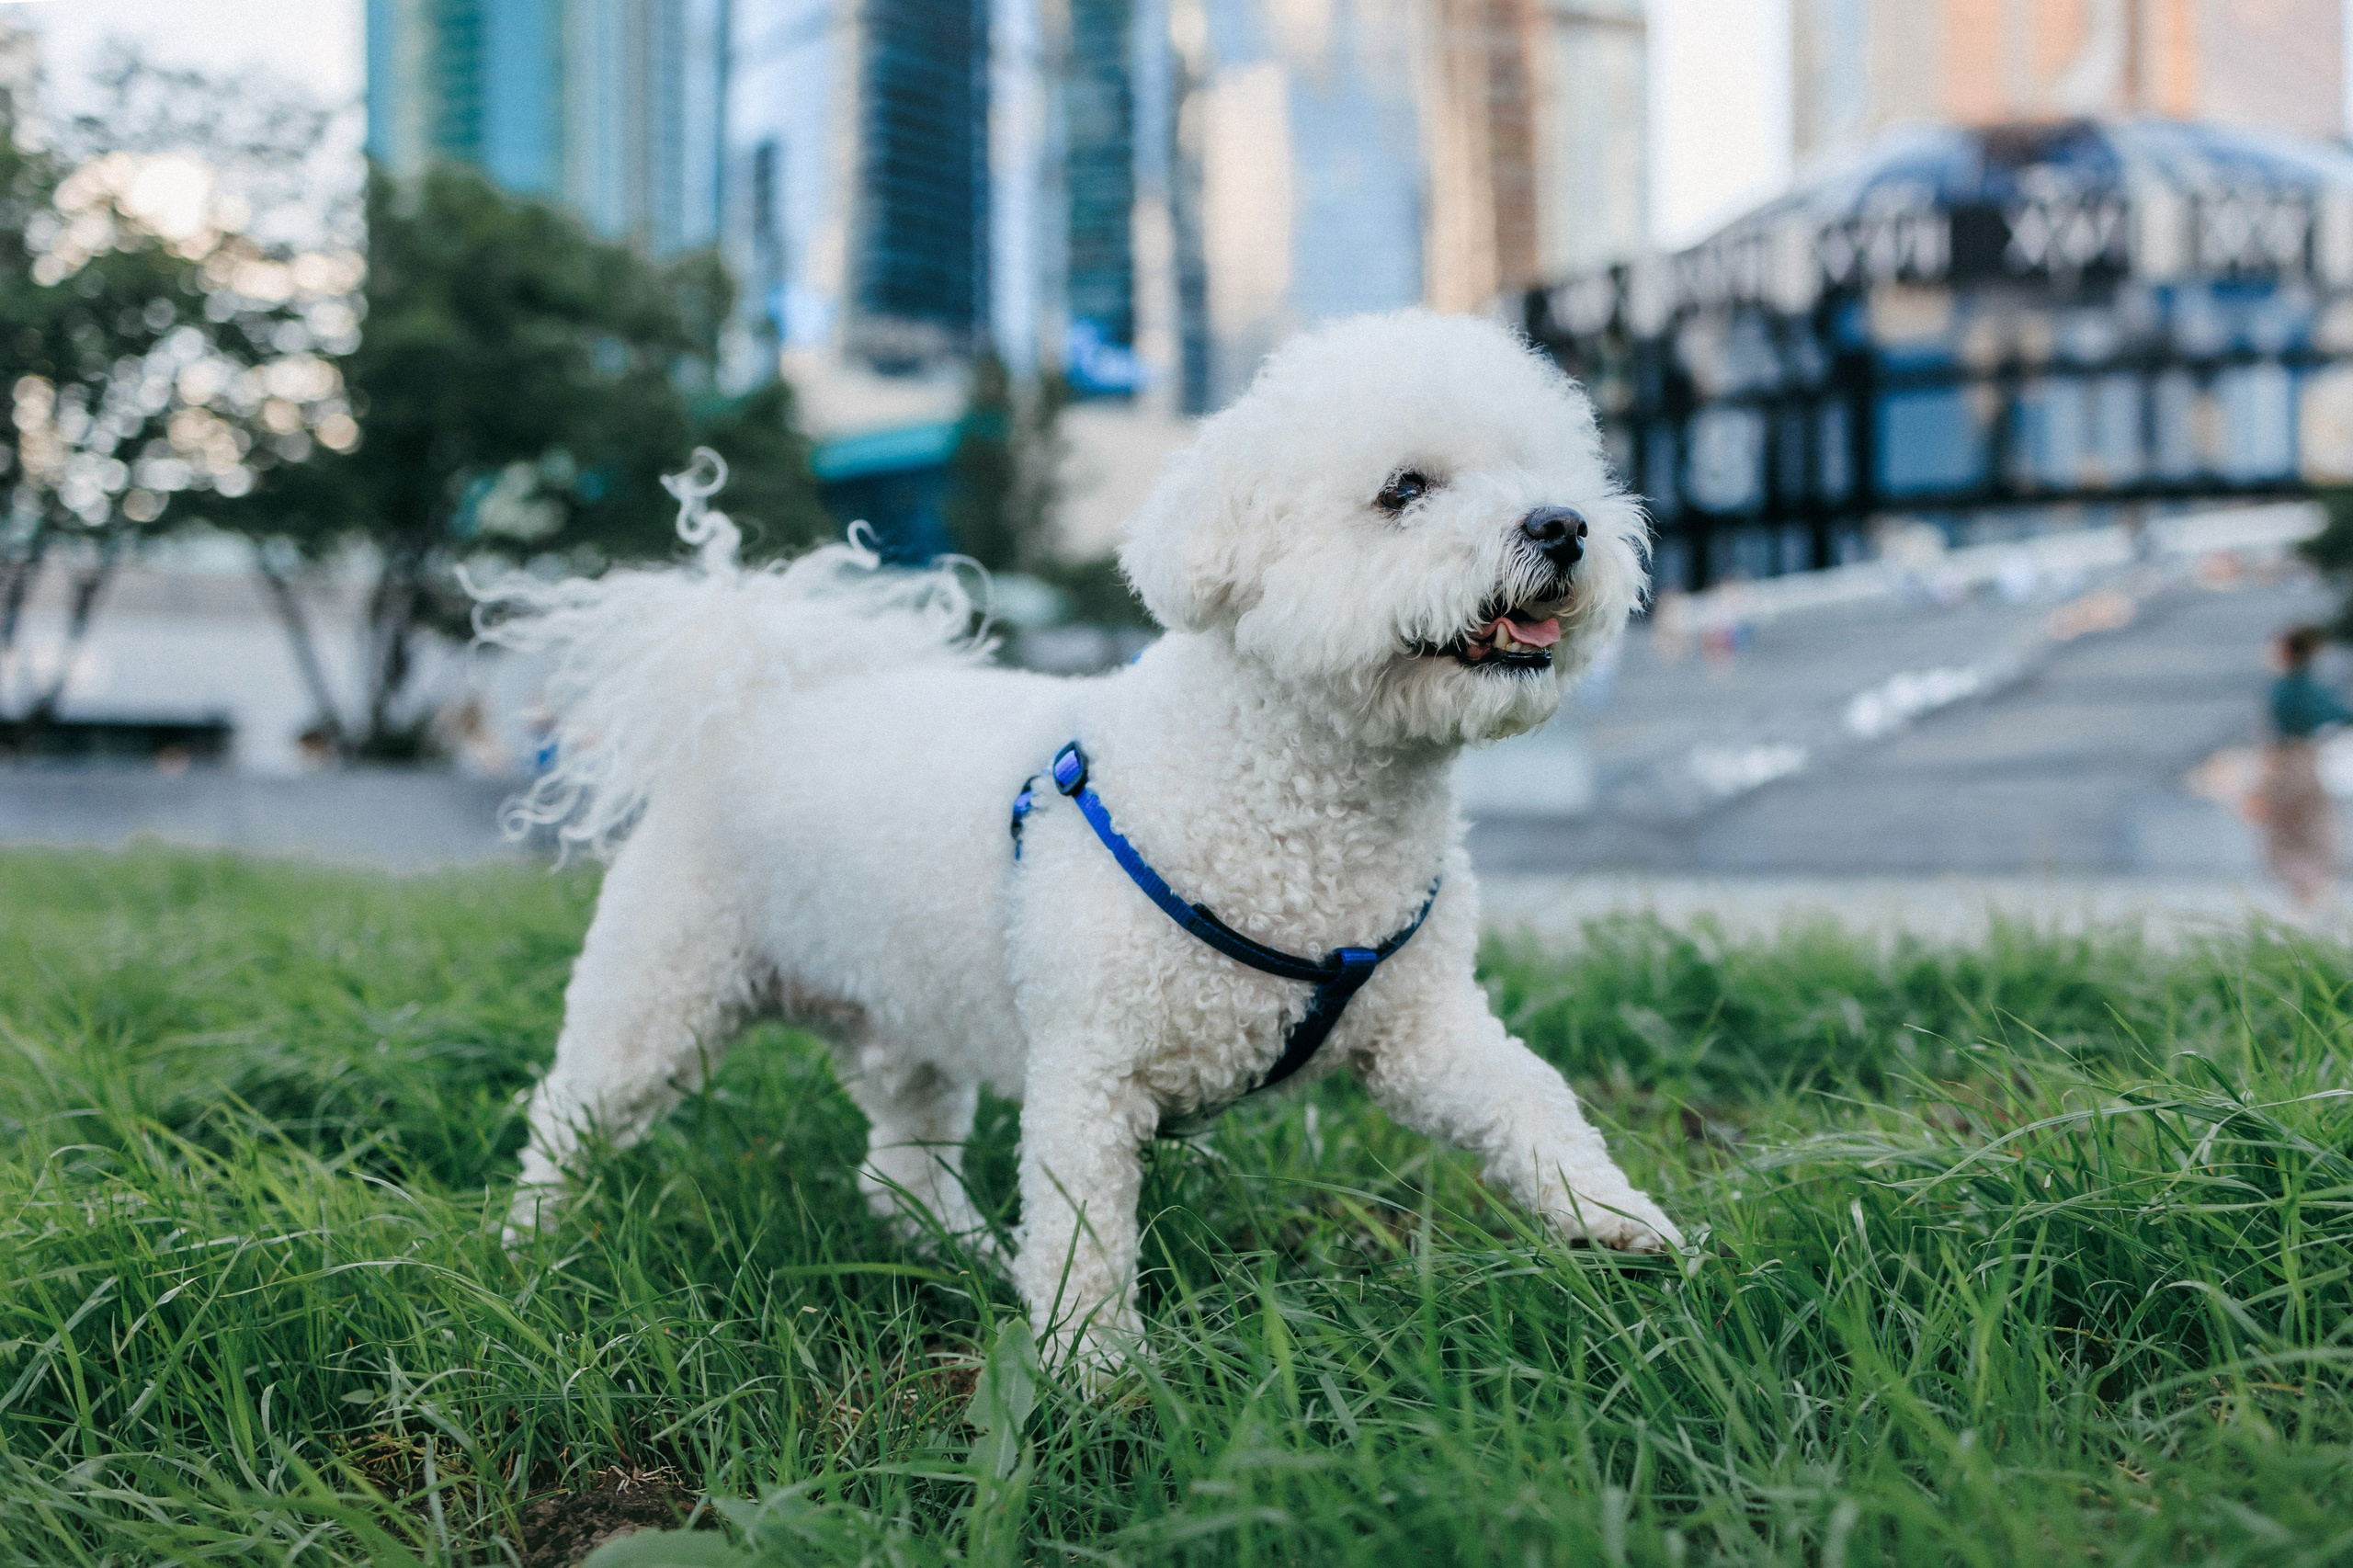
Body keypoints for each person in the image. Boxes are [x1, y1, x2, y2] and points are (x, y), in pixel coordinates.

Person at [2254, 625, 2351, 914]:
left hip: (2291, 763)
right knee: (2307, 831)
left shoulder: (2293, 686)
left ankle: (2309, 900)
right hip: (2298, 761)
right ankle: (2311, 899)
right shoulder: (2298, 686)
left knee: (2297, 833)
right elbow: (2341, 714)